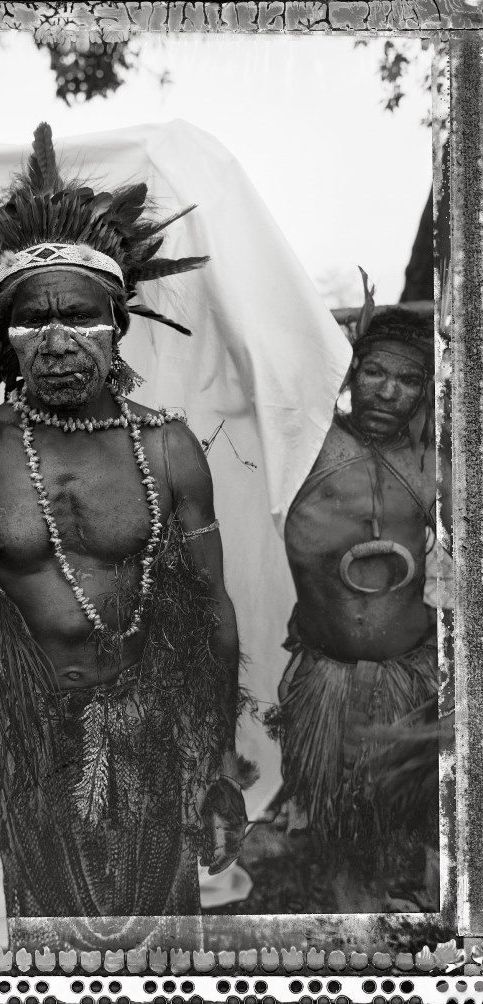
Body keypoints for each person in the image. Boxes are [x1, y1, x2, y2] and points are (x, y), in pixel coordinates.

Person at [0, 124, 255, 944]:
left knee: (162, 950)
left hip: (152, 737)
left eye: (80, 317)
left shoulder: (167, 451)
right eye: (34, 323)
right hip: (28, 741)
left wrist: (214, 766)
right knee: (47, 955)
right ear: (4, 335)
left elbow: (212, 611)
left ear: (116, 325)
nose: (59, 343)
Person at [269, 293, 439, 910]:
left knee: (414, 813)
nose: (388, 391)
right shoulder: (302, 449)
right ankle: (355, 913)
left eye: (408, 379)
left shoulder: (435, 465)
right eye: (374, 372)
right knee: (339, 818)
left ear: (426, 389)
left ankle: (432, 917)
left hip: (413, 677)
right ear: (349, 371)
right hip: (326, 677)